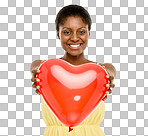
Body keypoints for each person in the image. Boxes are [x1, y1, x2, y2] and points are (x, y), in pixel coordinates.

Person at [30, 4, 116, 136]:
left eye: (81, 31)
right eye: (67, 32)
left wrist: (106, 76)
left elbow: (110, 72)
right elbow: (35, 67)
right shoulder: (47, 70)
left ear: (89, 33)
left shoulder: (100, 71)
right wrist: (38, 72)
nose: (75, 38)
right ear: (58, 34)